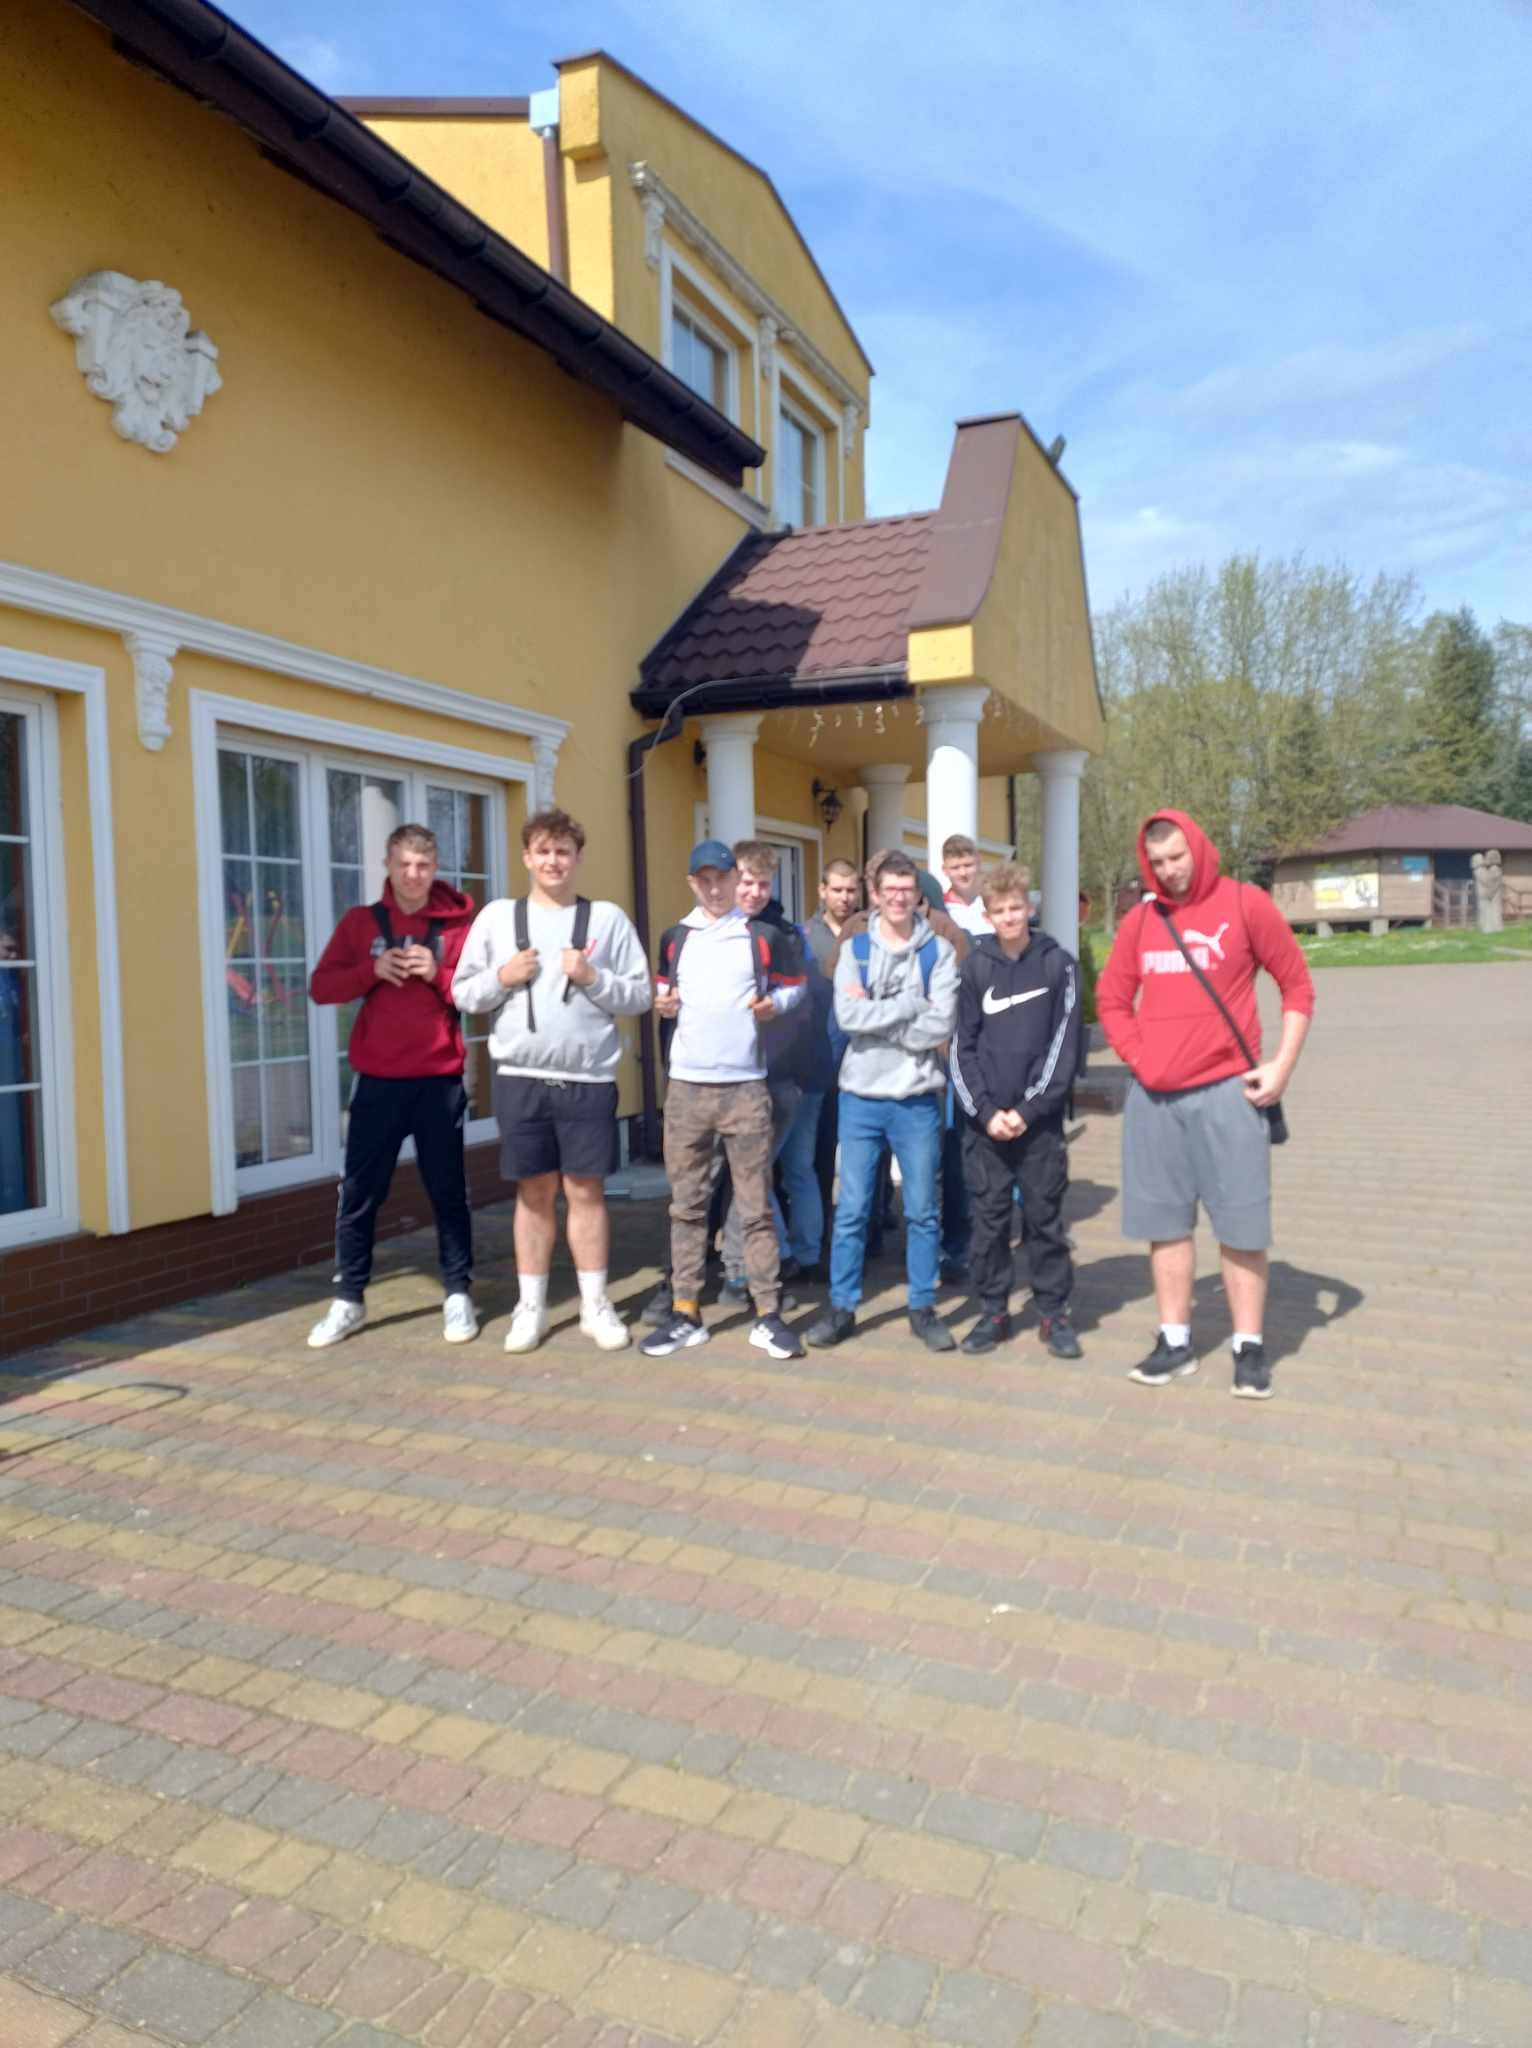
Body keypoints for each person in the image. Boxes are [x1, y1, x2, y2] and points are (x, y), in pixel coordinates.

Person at [1096, 810, 1314, 1399]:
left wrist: (1282, 1067)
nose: (1169, 870)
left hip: (1228, 1093)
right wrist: (1142, 1057)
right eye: (1158, 862)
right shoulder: (1141, 922)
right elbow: (1111, 999)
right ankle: (1175, 1342)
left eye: (1177, 857)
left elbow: (1297, 985)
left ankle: (1249, 1346)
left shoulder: (1245, 904)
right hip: (1155, 1102)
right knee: (1165, 1226)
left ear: (1197, 847)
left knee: (1242, 1225)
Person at [453, 807, 652, 1354]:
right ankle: (531, 1307)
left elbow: (640, 995)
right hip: (522, 1078)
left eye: (563, 851)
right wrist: (503, 976)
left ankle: (595, 1305)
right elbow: (463, 992)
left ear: (578, 857)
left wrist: (592, 977)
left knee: (586, 1190)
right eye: (543, 851)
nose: (553, 861)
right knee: (533, 1192)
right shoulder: (497, 918)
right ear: (526, 857)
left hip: (587, 1078)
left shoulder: (607, 919)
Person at [307, 823, 478, 1348]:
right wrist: (372, 969)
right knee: (360, 1192)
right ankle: (349, 1298)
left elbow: (481, 994)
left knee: (447, 1191)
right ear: (387, 864)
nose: (413, 875)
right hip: (378, 1081)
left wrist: (437, 974)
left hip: (438, 1080)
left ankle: (458, 1293)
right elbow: (320, 988)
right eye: (404, 864)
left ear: (435, 868)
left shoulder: (459, 927)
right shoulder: (361, 923)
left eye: (422, 865)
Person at [643, 839, 805, 1362]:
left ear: (736, 880)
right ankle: (685, 1311)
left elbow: (795, 986)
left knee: (755, 1208)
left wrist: (775, 1003)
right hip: (686, 1090)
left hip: (745, 1089)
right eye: (705, 880)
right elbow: (663, 991)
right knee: (687, 1208)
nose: (715, 889)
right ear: (693, 882)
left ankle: (767, 1315)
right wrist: (662, 1004)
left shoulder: (761, 936)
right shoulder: (676, 937)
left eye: (723, 879)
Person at [807, 851, 961, 1353]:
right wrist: (910, 1005)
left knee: (922, 1210)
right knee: (852, 1210)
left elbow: (941, 1024)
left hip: (916, 1099)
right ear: (874, 894)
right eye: (889, 889)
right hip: (861, 1099)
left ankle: (922, 1306)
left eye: (906, 889)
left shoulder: (939, 953)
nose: (898, 898)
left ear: (918, 895)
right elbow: (849, 1018)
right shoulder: (855, 950)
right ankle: (842, 1307)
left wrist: (881, 1015)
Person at [951, 862, 1083, 1358]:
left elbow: (1064, 1046)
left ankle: (1053, 1312)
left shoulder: (1058, 965)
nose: (1009, 917)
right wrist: (986, 1112)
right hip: (986, 1125)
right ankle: (993, 1312)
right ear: (987, 915)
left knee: (1044, 1220)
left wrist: (1028, 1110)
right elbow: (961, 1047)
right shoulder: (975, 968)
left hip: (1039, 1124)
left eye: (1016, 908)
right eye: (999, 910)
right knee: (988, 1221)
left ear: (1029, 907)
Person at [718, 842, 832, 1298]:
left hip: (781, 1076)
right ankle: (797, 1254)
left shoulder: (782, 937)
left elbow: (801, 1005)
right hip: (763, 1073)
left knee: (755, 1174)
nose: (754, 891)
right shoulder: (723, 931)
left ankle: (755, 1266)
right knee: (782, 1171)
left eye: (762, 883)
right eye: (747, 881)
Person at [805, 858, 861, 1263]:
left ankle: (871, 1227)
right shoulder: (805, 937)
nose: (844, 897)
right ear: (822, 890)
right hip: (821, 1060)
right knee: (820, 1151)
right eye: (837, 889)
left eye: (851, 890)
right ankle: (821, 1229)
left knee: (866, 1154)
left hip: (865, 1060)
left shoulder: (871, 933)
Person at [940, 833, 995, 937]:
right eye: (955, 868)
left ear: (979, 863)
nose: (963, 873)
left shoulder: (995, 901)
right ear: (945, 870)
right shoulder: (940, 908)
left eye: (968, 865)